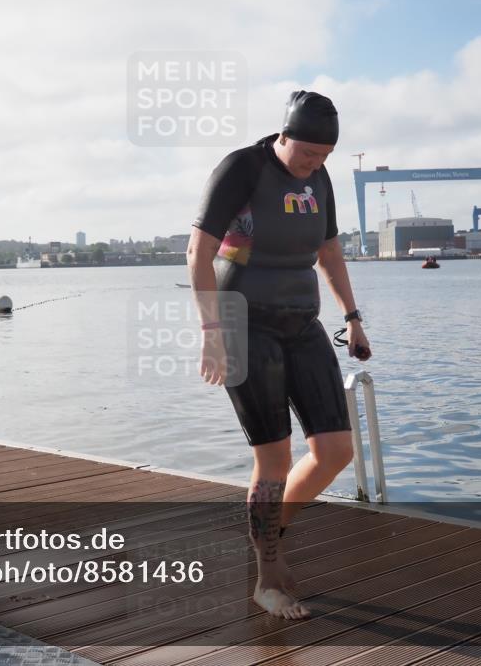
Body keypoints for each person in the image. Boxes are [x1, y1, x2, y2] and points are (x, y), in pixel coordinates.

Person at [186, 90, 372, 620]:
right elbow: (198, 253)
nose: (314, 164)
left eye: (324, 156)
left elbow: (329, 252)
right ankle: (267, 580)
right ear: (283, 135)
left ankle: (268, 532)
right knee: (273, 459)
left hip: (302, 323)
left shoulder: (320, 180)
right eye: (307, 153)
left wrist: (352, 318)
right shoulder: (242, 169)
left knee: (336, 451)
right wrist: (212, 331)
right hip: (244, 323)